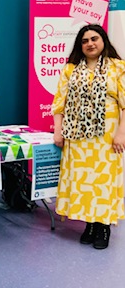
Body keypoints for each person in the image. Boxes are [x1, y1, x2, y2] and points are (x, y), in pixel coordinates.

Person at [52, 24, 125, 250]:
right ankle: (89, 225)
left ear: (103, 40)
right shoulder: (70, 70)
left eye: (94, 39)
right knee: (83, 182)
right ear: (80, 45)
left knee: (103, 182)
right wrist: (58, 129)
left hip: (107, 137)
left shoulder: (118, 67)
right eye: (85, 41)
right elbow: (59, 103)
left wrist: (121, 133)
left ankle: (103, 226)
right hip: (78, 138)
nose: (90, 44)